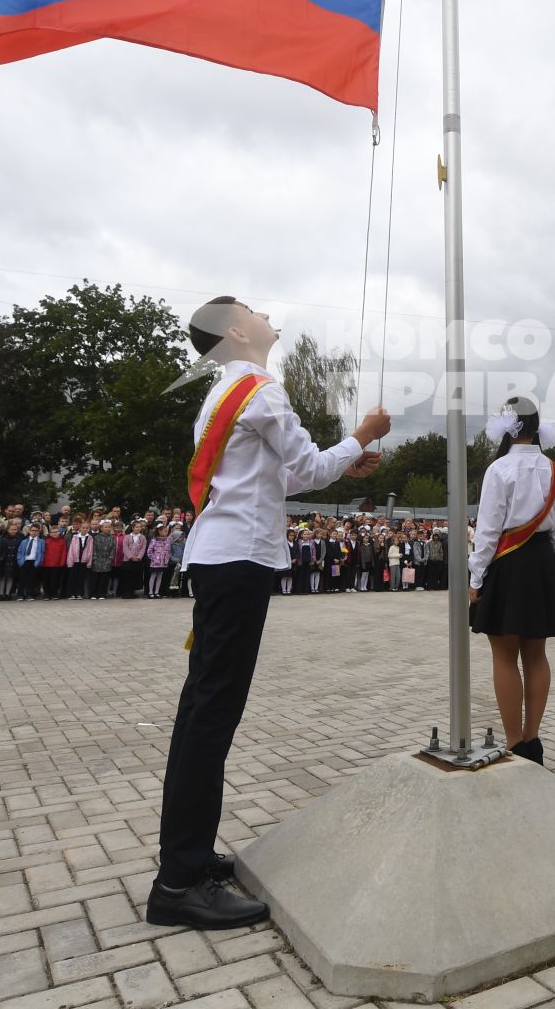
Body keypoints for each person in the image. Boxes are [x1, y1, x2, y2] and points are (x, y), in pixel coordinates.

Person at [150, 297, 386, 931]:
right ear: (235, 331)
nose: (264, 314)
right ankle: (179, 880)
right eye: (252, 309)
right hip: (240, 560)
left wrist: (343, 457)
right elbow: (305, 467)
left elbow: (275, 480)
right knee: (212, 712)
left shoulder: (226, 392)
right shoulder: (259, 387)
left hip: (221, 556)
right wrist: (361, 436)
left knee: (203, 706)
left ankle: (189, 858)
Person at [468, 397, 555, 766]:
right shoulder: (554, 469)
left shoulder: (499, 469)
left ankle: (514, 741)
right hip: (543, 560)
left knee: (504, 654)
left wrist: (476, 577)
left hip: (508, 563)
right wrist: (550, 563)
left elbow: (489, 530)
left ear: (507, 426)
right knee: (537, 654)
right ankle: (533, 738)